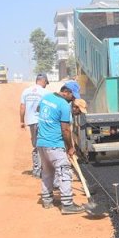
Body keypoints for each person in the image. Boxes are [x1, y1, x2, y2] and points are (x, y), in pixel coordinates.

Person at [36, 83, 85, 215]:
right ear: (66, 92)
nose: (72, 99)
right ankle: (67, 204)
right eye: (72, 96)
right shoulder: (63, 104)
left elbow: (38, 109)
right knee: (64, 172)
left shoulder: (46, 97)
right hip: (55, 144)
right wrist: (70, 148)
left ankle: (47, 200)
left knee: (47, 171)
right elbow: (65, 130)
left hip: (41, 143)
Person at [19, 73, 50, 177]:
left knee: (36, 145)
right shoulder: (45, 92)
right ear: (44, 81)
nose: (46, 85)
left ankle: (36, 171)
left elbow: (22, 107)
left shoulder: (26, 91)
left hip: (31, 122)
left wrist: (22, 121)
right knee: (44, 145)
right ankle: (43, 170)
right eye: (46, 83)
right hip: (42, 122)